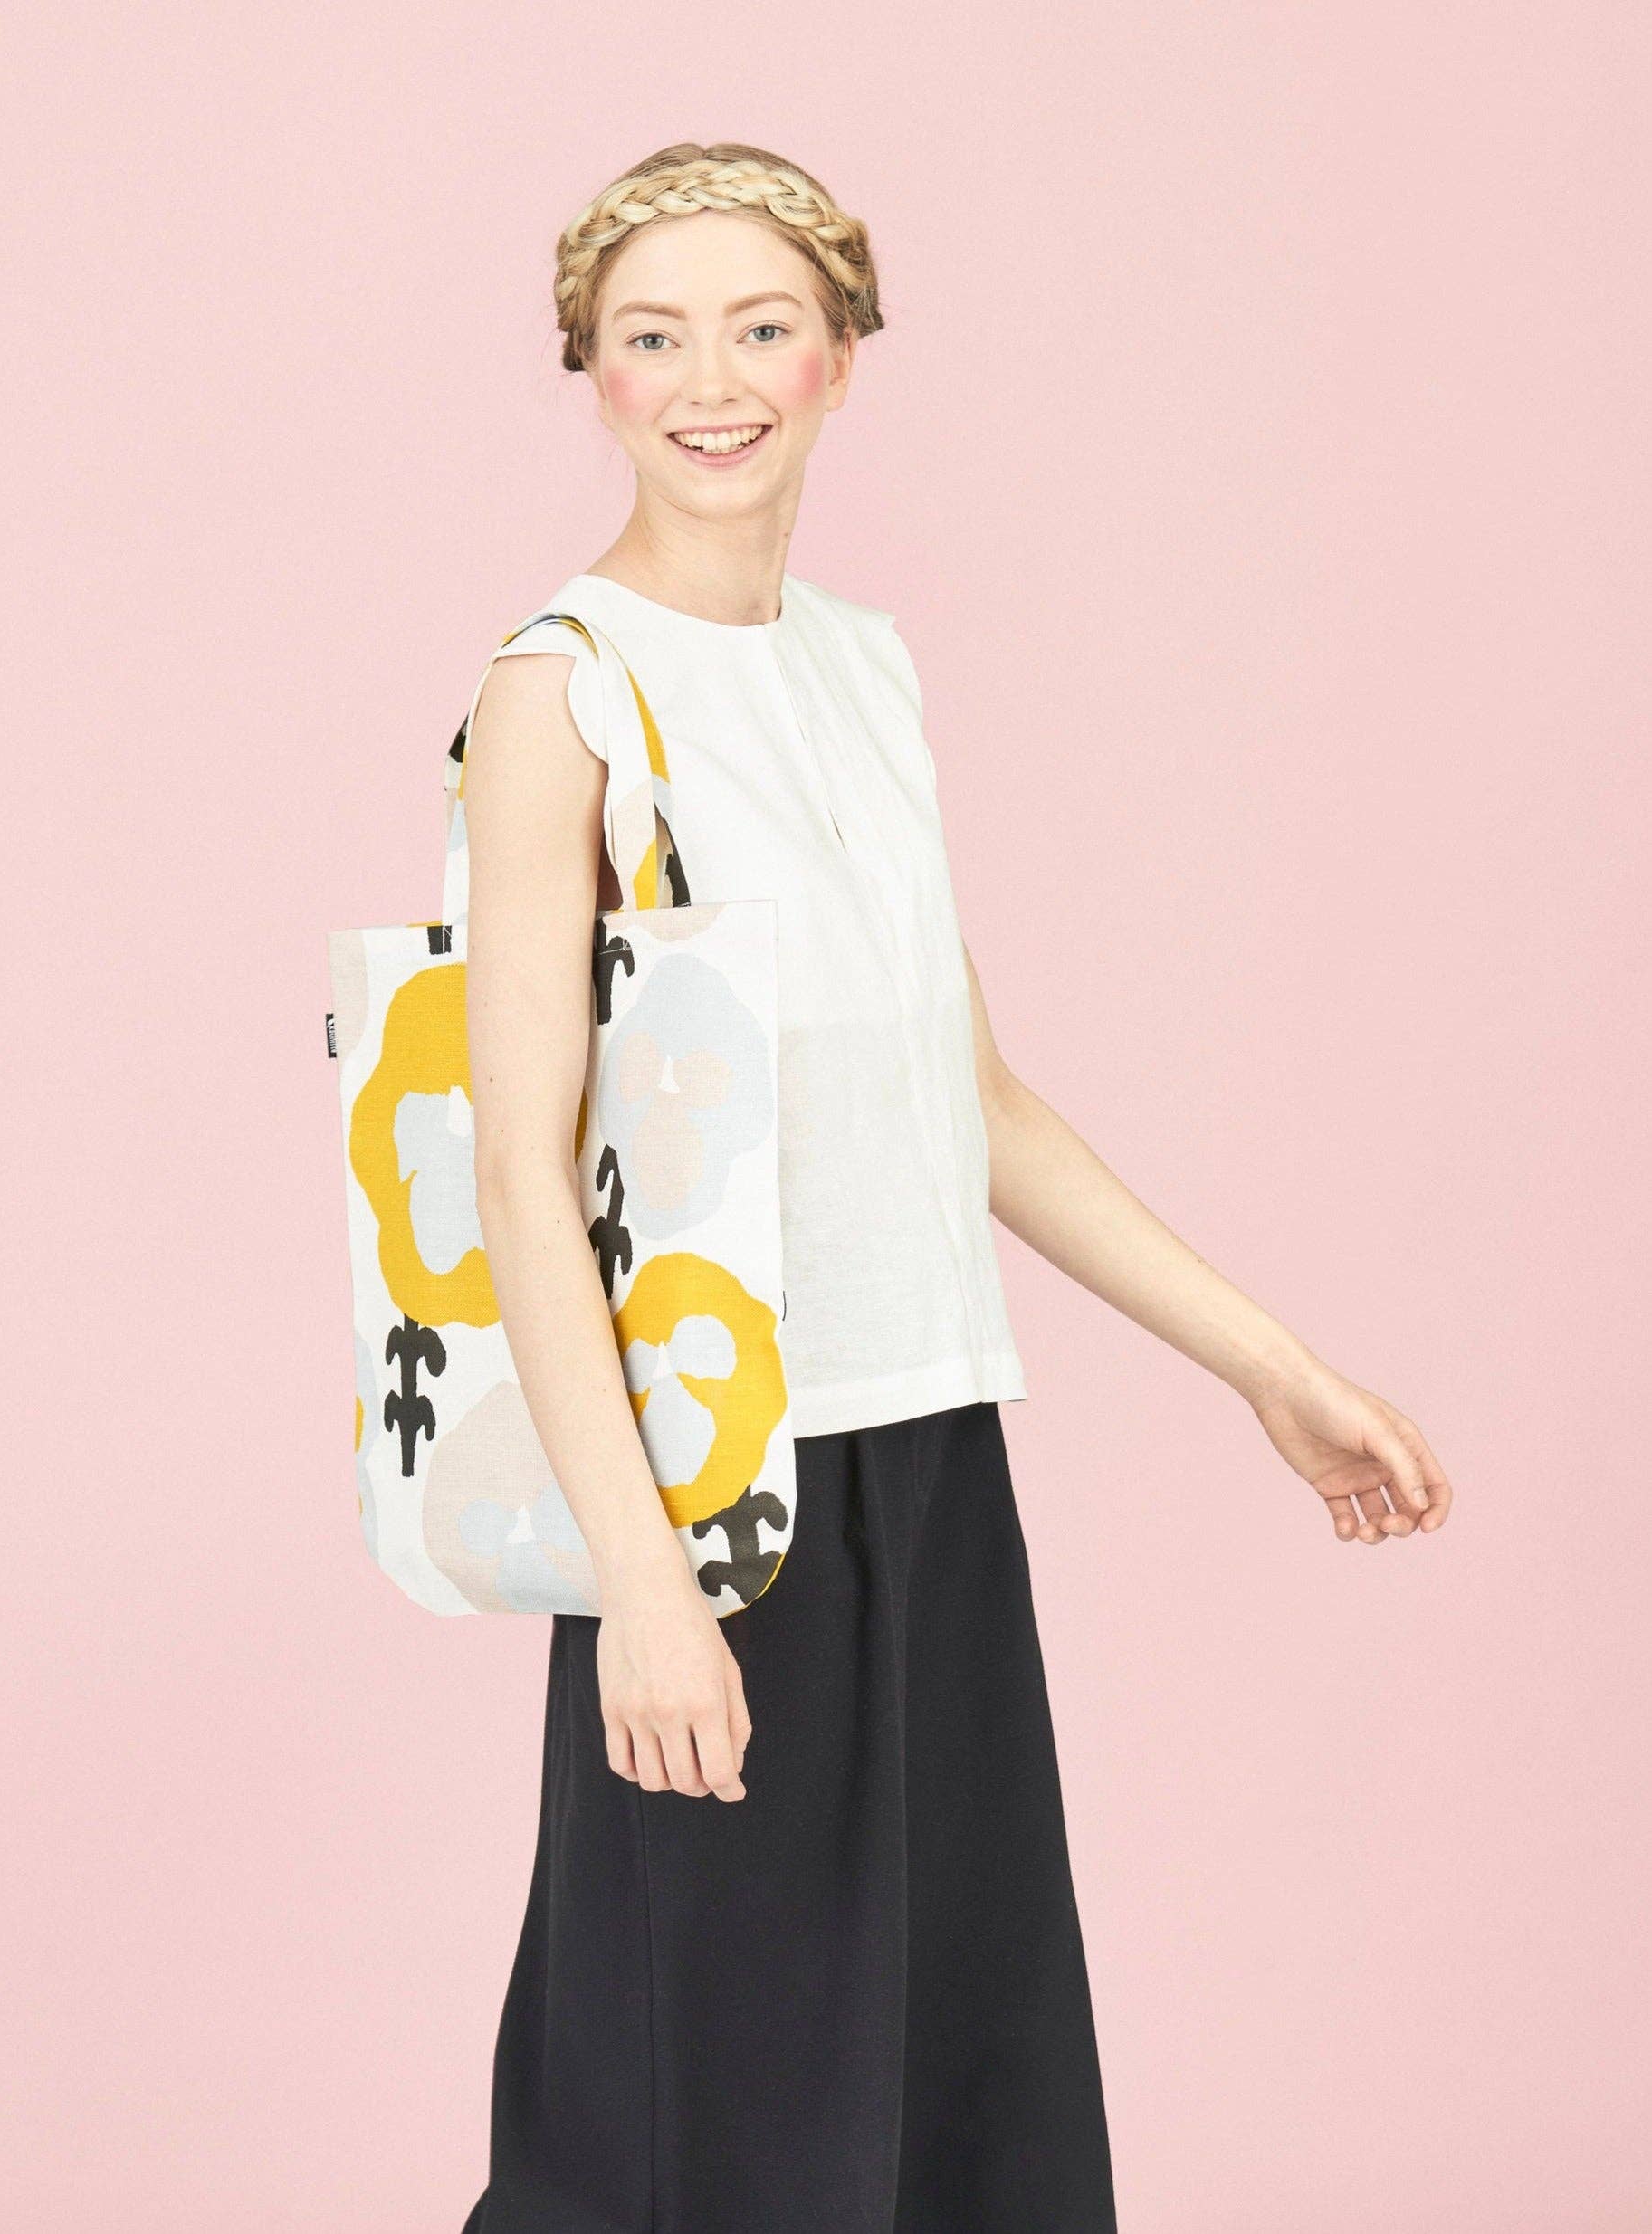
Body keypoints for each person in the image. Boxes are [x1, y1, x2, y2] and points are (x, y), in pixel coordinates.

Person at [454, 143, 1453, 2234]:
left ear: (837, 361)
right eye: (651, 337)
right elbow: (522, 1179)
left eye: (757, 328)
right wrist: (644, 1581)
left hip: (924, 1445)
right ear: (590, 373)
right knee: (702, 2112)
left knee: (952, 2090)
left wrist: (1266, 1363)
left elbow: (963, 1092)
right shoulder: (564, 693)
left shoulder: (863, 669)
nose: (707, 378)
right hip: (718, 1483)